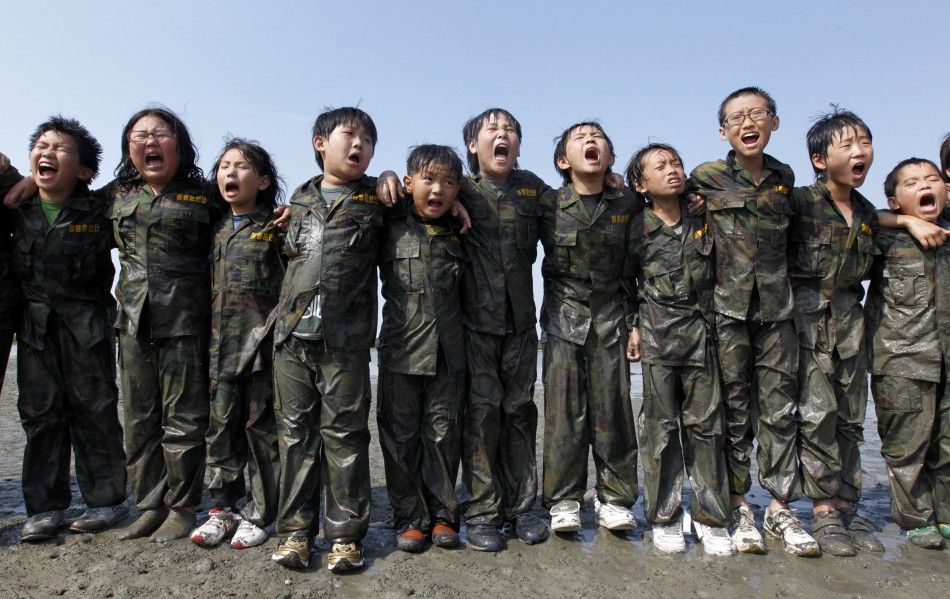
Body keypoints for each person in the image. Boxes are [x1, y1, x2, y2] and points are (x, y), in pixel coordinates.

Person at [689, 87, 819, 556]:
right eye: (737, 117)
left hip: (778, 310)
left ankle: (781, 505)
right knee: (733, 406)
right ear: (723, 131)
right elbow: (663, 209)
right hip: (726, 311)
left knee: (782, 407)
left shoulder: (785, 178)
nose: (748, 123)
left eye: (757, 114)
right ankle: (741, 503)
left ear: (774, 123)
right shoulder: (704, 177)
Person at [270, 107, 383, 572]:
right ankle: (295, 532)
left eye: (368, 141)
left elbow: (427, 194)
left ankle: (344, 537)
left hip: (346, 342)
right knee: (294, 437)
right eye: (349, 135)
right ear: (320, 143)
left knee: (346, 437)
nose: (359, 146)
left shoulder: (378, 199)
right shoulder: (295, 202)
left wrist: (394, 176)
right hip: (293, 338)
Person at [10, 116, 127, 541]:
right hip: (35, 330)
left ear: (83, 171)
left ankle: (106, 501)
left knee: (94, 412)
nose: (47, 153)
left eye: (60, 149)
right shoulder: (16, 208)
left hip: (88, 329)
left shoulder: (101, 208)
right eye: (41, 145)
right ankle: (44, 509)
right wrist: (18, 179)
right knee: (40, 417)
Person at [624, 143, 733, 555]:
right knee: (661, 430)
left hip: (705, 335)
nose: (673, 170)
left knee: (707, 428)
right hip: (657, 336)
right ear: (640, 184)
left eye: (676, 163)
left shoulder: (704, 216)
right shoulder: (636, 228)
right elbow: (625, 282)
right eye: (660, 166)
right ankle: (664, 515)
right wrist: (632, 326)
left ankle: (711, 516)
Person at [788, 109, 884, 556]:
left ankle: (847, 500)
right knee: (817, 414)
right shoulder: (797, 202)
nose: (859, 151)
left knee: (850, 416)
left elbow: (888, 226)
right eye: (846, 145)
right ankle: (824, 509)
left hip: (851, 320)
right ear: (820, 158)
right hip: (806, 321)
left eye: (864, 142)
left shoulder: (866, 211)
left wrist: (909, 220)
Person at [539, 121, 640, 534]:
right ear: (564, 160)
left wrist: (636, 324)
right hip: (564, 319)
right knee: (564, 413)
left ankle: (614, 497)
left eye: (597, 137)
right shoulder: (546, 204)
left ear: (611, 157)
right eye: (579, 138)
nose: (590, 141)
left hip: (612, 318)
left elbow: (639, 268)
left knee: (613, 410)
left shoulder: (629, 204)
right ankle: (564, 498)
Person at [456, 108, 549, 550]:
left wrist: (609, 182)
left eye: (510, 130)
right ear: (473, 145)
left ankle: (524, 506)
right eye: (492, 130)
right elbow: (414, 193)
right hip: (472, 325)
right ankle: (481, 511)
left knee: (519, 413)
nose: (502, 135)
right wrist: (390, 177)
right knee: (480, 417)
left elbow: (574, 205)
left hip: (520, 324)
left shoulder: (532, 188)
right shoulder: (457, 186)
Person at [188, 139, 283, 550]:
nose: (230, 173)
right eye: (224, 166)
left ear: (262, 181)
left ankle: (261, 512)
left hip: (262, 349)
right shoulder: (215, 227)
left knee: (261, 429)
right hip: (217, 350)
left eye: (242, 166)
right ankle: (222, 509)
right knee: (220, 429)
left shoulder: (278, 226)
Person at [377, 144, 467, 553]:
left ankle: (444, 515)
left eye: (449, 182)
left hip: (450, 352)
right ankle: (409, 518)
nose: (438, 190)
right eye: (428, 180)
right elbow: (353, 195)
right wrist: (384, 176)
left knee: (443, 435)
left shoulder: (463, 226)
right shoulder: (389, 220)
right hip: (400, 348)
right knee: (401, 437)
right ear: (410, 182)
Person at [865, 158, 950, 549]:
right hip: (900, 355)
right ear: (894, 200)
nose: (924, 186)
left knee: (947, 443)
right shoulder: (885, 237)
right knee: (906, 444)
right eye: (912, 182)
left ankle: (946, 513)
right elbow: (859, 217)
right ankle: (916, 517)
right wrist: (903, 222)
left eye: (932, 179)